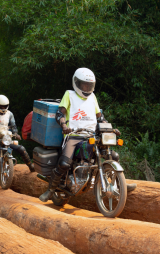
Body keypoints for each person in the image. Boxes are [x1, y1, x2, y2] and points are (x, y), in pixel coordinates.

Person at [39, 68, 136, 202]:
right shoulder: (69, 94)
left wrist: (109, 128)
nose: (86, 87)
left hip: (91, 135)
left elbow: (100, 117)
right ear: (76, 82)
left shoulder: (92, 97)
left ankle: (120, 184)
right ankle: (50, 190)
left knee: (113, 155)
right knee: (64, 163)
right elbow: (60, 114)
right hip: (73, 135)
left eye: (88, 85)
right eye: (83, 84)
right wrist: (64, 126)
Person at [0, 95, 35, 173]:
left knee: (21, 148)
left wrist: (15, 133)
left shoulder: (10, 114)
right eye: (1, 106)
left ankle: (31, 166)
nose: (3, 108)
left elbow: (13, 126)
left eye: (4, 106)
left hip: (5, 138)